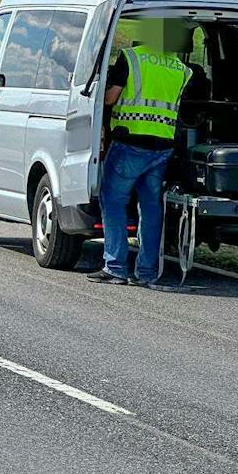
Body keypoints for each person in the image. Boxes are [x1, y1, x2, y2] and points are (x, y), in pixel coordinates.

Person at [88, 20, 192, 287]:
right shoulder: (181, 69)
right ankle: (146, 272)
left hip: (130, 143)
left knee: (112, 201)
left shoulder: (132, 58)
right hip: (162, 147)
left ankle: (115, 267)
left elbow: (110, 98)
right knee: (151, 207)